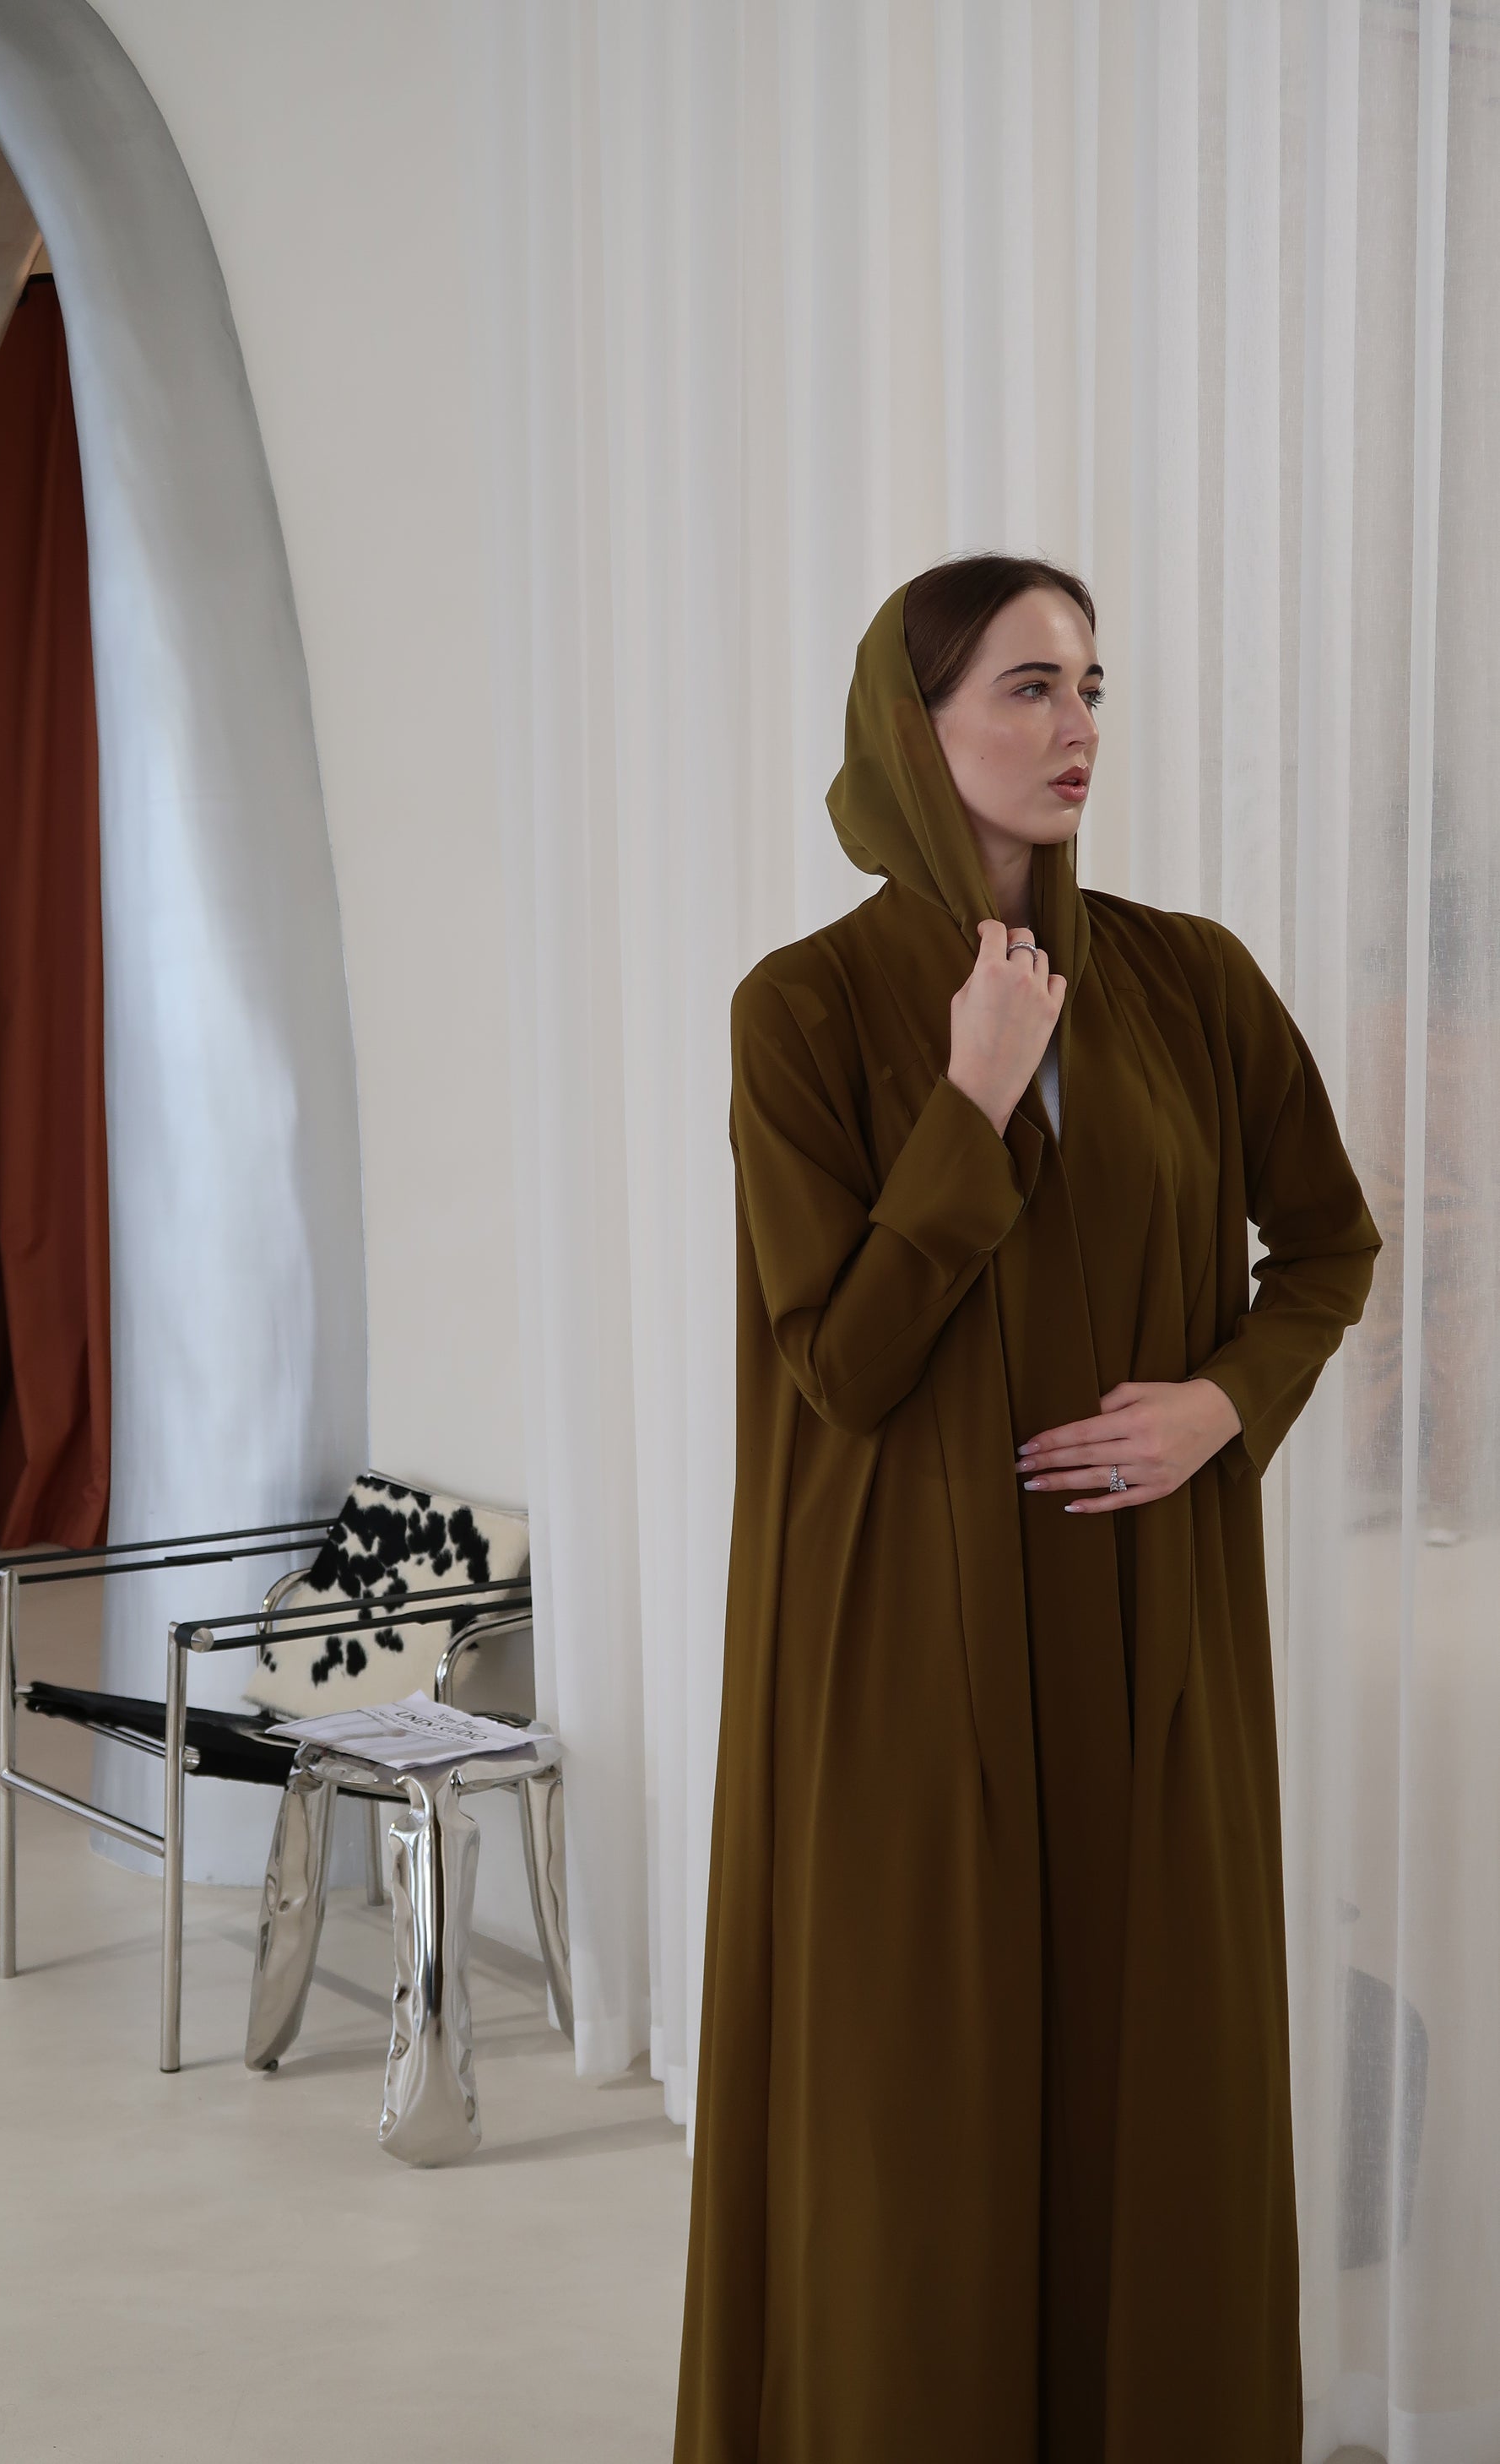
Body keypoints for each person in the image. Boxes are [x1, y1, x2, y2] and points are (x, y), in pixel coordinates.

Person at [671, 555, 1382, 2464]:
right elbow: (840, 1365)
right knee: (926, 2094)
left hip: (1152, 1616)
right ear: (913, 729)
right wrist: (970, 1101)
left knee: (1159, 2063)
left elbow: (1327, 1242)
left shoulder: (1189, 978)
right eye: (1026, 687)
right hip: (908, 1636)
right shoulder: (802, 1011)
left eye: (1090, 686)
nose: (1077, 728)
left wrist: (1221, 1404)